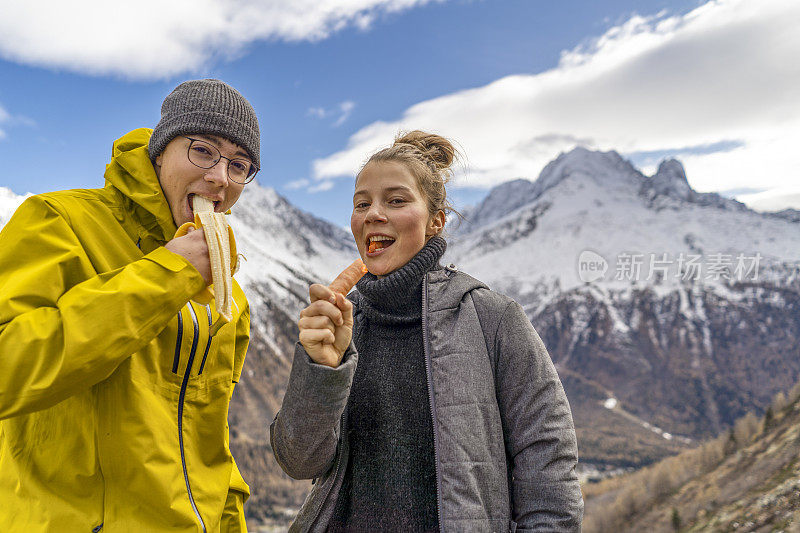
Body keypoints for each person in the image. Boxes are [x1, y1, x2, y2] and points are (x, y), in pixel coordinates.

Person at [271, 131, 584, 532]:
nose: (372, 214)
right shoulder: (344, 326)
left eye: (396, 201)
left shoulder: (493, 319)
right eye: (361, 203)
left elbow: (548, 461)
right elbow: (298, 462)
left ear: (435, 221)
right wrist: (321, 371)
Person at [0, 79, 259, 532]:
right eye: (203, 150)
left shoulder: (227, 296)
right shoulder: (58, 222)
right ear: (160, 151)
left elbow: (209, 433)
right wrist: (166, 275)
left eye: (239, 165)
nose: (220, 176)